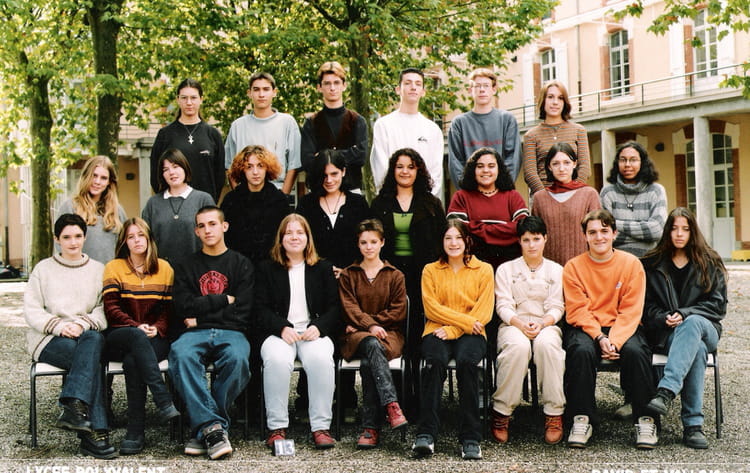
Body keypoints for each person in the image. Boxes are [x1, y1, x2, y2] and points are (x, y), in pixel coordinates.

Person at [562, 209, 658, 449]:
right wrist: (599, 337)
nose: (599, 237)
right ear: (584, 236)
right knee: (581, 351)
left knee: (637, 352)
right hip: (587, 327)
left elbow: (631, 310)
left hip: (623, 325)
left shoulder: (631, 264)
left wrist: (614, 340)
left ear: (614, 233)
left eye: (604, 231)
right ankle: (581, 419)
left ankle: (646, 419)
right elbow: (577, 310)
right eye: (592, 232)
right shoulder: (573, 267)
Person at [24, 213, 114, 458]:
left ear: (85, 237)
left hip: (85, 335)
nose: (73, 242)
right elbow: (31, 309)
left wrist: (82, 324)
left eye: (78, 236)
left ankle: (74, 405)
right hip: (49, 339)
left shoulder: (98, 269)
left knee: (92, 341)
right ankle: (96, 433)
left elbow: (103, 308)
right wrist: (59, 327)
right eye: (66, 237)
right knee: (92, 359)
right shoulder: (43, 269)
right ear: (57, 239)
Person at [168, 206, 253, 460]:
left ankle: (204, 427)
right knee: (180, 355)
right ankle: (214, 429)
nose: (207, 230)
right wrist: (224, 300)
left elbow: (243, 311)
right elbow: (183, 306)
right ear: (196, 231)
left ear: (224, 226)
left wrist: (201, 315)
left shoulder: (241, 264)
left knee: (238, 360)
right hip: (195, 334)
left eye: (213, 224)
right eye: (201, 226)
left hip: (231, 331)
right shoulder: (186, 266)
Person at [642, 207, 727, 449]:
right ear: (667, 231)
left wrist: (685, 313)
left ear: (693, 232)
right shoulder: (652, 264)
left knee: (692, 324)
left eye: (685, 229)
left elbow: (718, 306)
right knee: (696, 350)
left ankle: (666, 391)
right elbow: (645, 307)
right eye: (674, 228)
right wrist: (663, 318)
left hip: (706, 328)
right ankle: (693, 426)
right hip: (669, 334)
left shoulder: (710, 262)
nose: (679, 234)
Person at [255, 214, 340, 450]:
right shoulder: (267, 268)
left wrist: (319, 327)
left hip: (312, 332)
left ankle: (321, 427)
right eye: (289, 233)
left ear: (308, 237)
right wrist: (281, 327)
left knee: (321, 359)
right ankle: (277, 427)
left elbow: (335, 307)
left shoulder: (322, 268)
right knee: (277, 360)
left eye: (300, 232)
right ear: (281, 239)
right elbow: (259, 308)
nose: (294, 237)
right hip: (279, 333)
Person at [412, 220, 494, 461]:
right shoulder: (430, 270)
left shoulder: (484, 270)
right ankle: (426, 434)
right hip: (436, 330)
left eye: (458, 237)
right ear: (441, 242)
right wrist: (460, 324)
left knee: (467, 363)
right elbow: (431, 308)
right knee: (435, 362)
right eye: (448, 238)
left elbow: (484, 312)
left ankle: (470, 438)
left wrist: (455, 330)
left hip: (472, 333)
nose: (453, 243)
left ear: (467, 240)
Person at [370, 148, 445, 406]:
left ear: (418, 171)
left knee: (418, 335)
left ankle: (420, 397)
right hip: (389, 277)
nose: (405, 171)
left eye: (410, 167)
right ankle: (395, 397)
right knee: (394, 335)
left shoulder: (431, 204)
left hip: (422, 276)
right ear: (392, 170)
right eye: (400, 166)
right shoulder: (380, 204)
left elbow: (440, 243)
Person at [102, 217, 180, 455]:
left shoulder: (164, 268)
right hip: (120, 334)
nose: (137, 240)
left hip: (154, 336)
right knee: (136, 338)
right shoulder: (114, 267)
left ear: (149, 239)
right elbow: (111, 309)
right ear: (124, 242)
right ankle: (162, 398)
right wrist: (137, 326)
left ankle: (135, 432)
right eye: (131, 237)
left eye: (141, 235)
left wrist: (157, 327)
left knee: (133, 361)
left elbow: (168, 310)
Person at [491, 216, 565, 445]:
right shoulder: (506, 269)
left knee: (548, 346)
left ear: (545, 239)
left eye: (536, 239)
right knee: (518, 347)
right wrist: (519, 323)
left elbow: (557, 306)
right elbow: (503, 305)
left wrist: (543, 323)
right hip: (513, 324)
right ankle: (502, 412)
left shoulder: (556, 270)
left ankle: (554, 413)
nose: (532, 245)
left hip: (546, 324)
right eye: (526, 240)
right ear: (519, 242)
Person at [338, 219, 409, 449]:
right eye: (363, 242)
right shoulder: (348, 275)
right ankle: (392, 406)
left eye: (373, 242)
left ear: (382, 242)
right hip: (356, 338)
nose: (369, 247)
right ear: (358, 245)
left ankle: (371, 428)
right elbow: (349, 308)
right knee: (370, 344)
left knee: (371, 355)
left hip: (389, 335)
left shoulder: (394, 275)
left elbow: (398, 312)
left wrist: (365, 325)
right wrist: (369, 328)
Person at [447, 147, 529, 270]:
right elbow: (458, 230)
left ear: (499, 169)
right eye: (480, 166)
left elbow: (522, 227)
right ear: (473, 170)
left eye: (491, 166)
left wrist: (476, 227)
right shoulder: (461, 196)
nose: (486, 170)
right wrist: (505, 228)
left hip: (509, 264)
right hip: (472, 262)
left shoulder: (512, 196)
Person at [370, 68, 444, 200]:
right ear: (398, 89)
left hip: (423, 203)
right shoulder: (383, 125)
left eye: (418, 84)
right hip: (391, 201)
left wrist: (425, 201)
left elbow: (435, 172)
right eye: (408, 83)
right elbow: (380, 167)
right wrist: (395, 199)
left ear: (423, 92)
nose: (413, 87)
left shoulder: (433, 129)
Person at [296, 149, 370, 278]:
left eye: (334, 174)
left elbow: (368, 242)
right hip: (315, 277)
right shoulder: (306, 204)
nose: (329, 180)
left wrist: (348, 271)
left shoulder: (358, 203)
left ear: (343, 171)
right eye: (324, 175)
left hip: (353, 278)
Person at [224, 71, 301, 195]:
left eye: (266, 89)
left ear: (274, 92)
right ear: (249, 93)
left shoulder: (287, 123)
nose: (261, 94)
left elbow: (294, 164)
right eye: (256, 89)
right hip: (245, 194)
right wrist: (238, 195)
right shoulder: (238, 126)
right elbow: (229, 166)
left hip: (277, 191)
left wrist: (283, 197)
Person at [149, 79, 225, 201]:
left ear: (201, 99)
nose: (189, 102)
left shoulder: (213, 134)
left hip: (204, 206)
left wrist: (210, 203)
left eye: (193, 98)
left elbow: (219, 176)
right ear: (178, 100)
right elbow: (155, 175)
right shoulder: (165, 134)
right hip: (172, 204)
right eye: (184, 98)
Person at [301, 61, 368, 192]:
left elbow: (361, 156)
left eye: (336, 83)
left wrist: (322, 156)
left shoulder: (357, 121)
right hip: (319, 191)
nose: (332, 88)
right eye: (327, 83)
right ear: (319, 87)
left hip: (351, 190)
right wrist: (348, 153)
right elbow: (307, 161)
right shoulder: (311, 123)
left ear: (344, 86)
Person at [448, 68, 521, 188]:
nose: (482, 89)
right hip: (470, 193)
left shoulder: (507, 120)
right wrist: (467, 191)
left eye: (486, 85)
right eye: (477, 86)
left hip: (500, 192)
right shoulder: (459, 123)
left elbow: (513, 159)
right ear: (470, 90)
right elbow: (456, 162)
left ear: (494, 89)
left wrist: (500, 189)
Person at [142, 149, 215, 265]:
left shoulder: (203, 199)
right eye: (166, 169)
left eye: (175, 166)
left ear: (185, 168)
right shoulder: (153, 203)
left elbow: (214, 237)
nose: (171, 172)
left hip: (197, 269)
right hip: (161, 270)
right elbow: (145, 239)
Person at [221, 145, 291, 265]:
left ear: (267, 168)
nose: (255, 172)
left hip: (272, 265)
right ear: (242, 169)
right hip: (238, 266)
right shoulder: (231, 200)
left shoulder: (279, 200)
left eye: (260, 166)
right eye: (249, 167)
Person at [531, 143, 600, 265]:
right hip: (549, 267)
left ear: (574, 164)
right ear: (549, 167)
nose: (561, 168)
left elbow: (596, 233)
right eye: (556, 164)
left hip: (582, 265)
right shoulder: (539, 198)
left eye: (567, 162)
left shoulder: (589, 194)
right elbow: (535, 236)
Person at [600, 141, 668, 257]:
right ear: (617, 163)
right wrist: (644, 236)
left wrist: (615, 224)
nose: (627, 164)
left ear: (643, 163)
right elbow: (604, 233)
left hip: (650, 259)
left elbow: (657, 231)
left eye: (633, 160)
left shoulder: (656, 191)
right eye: (623, 160)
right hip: (616, 259)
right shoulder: (608, 192)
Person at [523, 80, 591, 195]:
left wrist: (572, 194)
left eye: (560, 98)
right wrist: (546, 197)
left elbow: (585, 168)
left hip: (574, 195)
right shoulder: (531, 135)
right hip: (543, 196)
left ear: (565, 102)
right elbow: (530, 173)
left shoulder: (579, 131)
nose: (555, 102)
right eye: (550, 97)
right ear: (543, 100)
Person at [57, 155, 127, 264]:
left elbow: (125, 248)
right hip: (78, 271)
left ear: (109, 181)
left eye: (103, 178)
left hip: (110, 272)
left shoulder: (118, 211)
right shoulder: (70, 207)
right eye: (94, 176)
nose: (97, 182)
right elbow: (60, 246)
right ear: (86, 176)